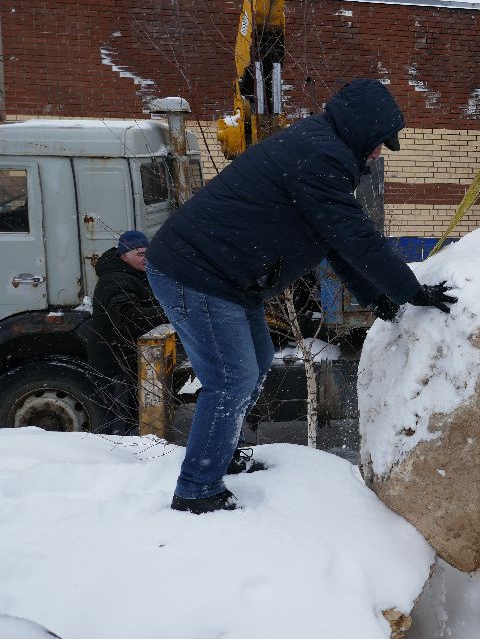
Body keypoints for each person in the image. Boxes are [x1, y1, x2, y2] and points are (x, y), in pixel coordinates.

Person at [147, 78, 457, 515]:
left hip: (227, 278)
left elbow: (335, 243)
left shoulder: (321, 148)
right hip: (197, 274)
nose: (378, 153)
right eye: (378, 143)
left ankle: (222, 454)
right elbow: (355, 235)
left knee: (252, 368)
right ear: (363, 130)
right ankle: (197, 490)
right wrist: (411, 289)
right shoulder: (320, 156)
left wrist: (380, 299)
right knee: (231, 378)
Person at [86, 230, 168, 435]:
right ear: (124, 256)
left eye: (147, 253)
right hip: (115, 365)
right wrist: (169, 311)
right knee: (119, 424)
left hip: (129, 360)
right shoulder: (115, 281)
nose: (145, 258)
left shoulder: (136, 275)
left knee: (131, 418)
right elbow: (130, 319)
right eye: (140, 254)